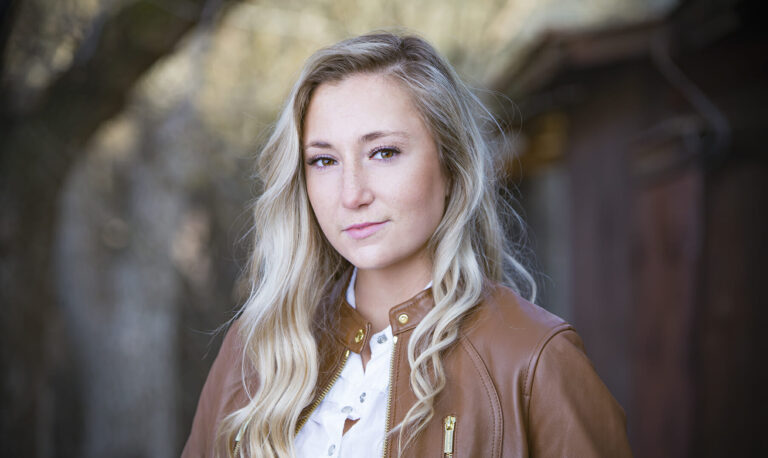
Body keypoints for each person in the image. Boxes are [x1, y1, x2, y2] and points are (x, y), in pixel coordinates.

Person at [182, 32, 632, 458]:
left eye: (384, 152)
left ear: (452, 167)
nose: (351, 194)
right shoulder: (257, 349)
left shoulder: (534, 359)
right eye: (324, 160)